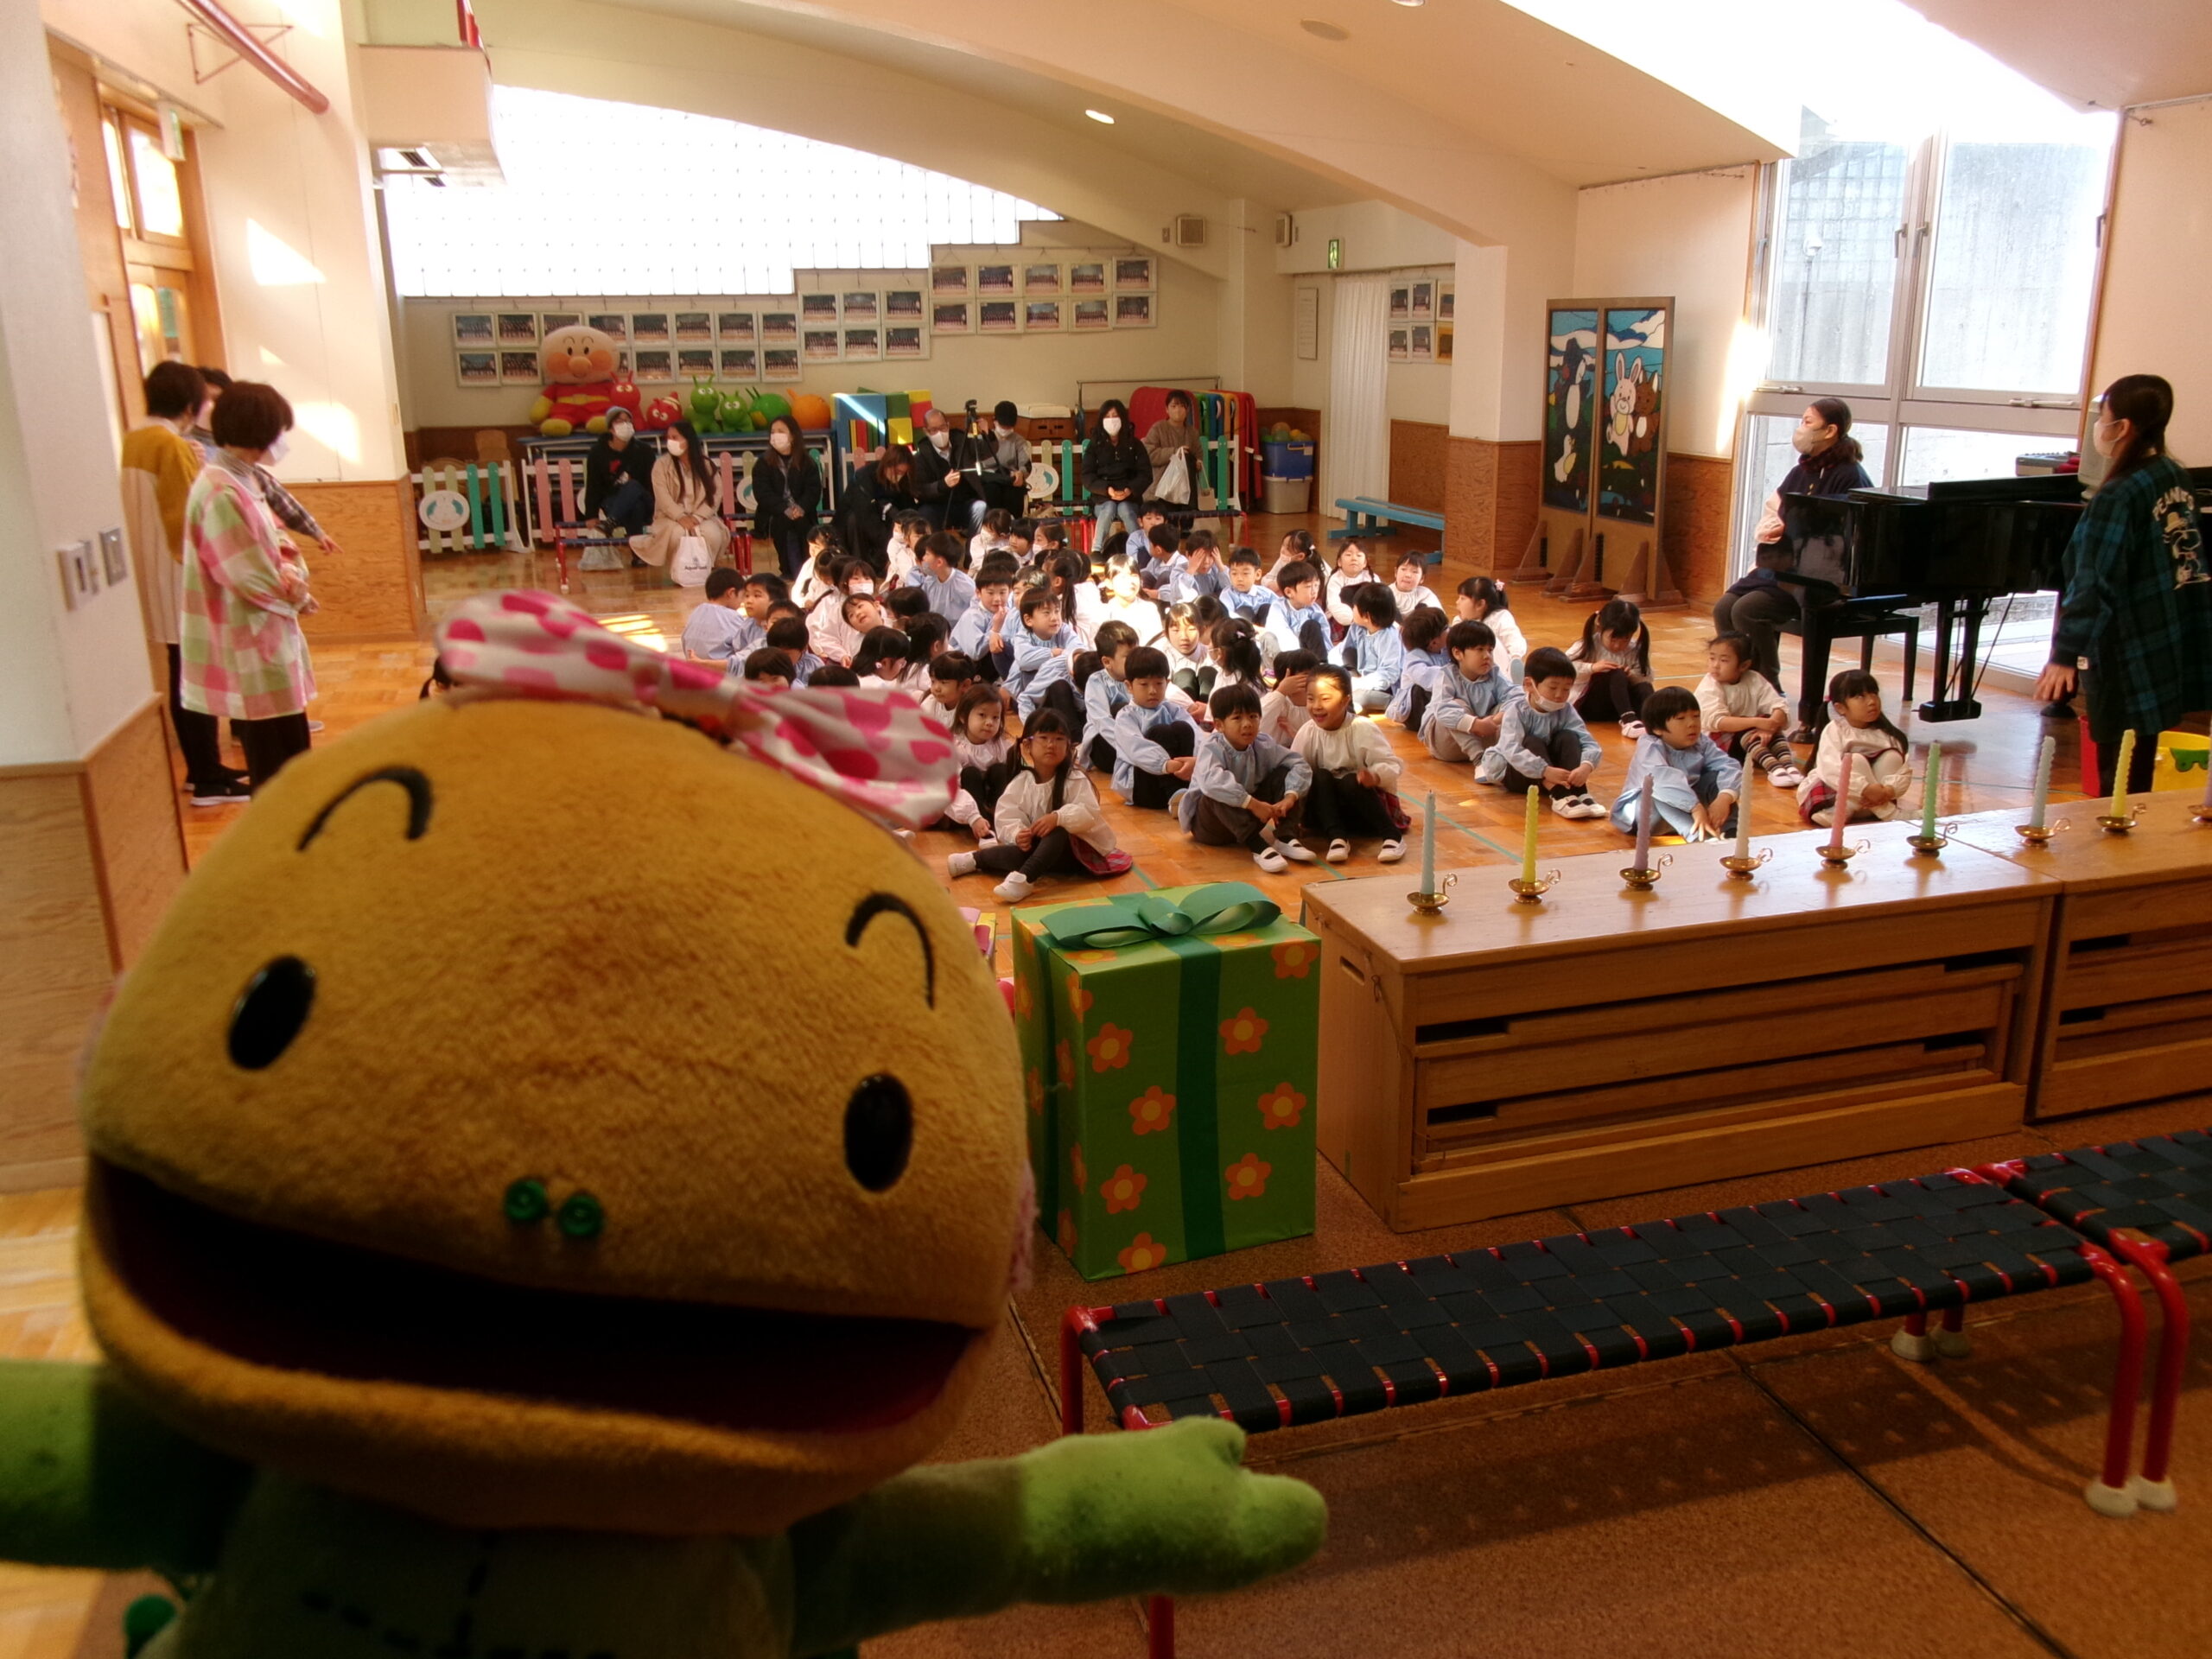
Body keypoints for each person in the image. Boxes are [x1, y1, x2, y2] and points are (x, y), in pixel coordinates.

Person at [2037, 374, 2212, 797]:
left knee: (2119, 763)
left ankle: (2117, 827)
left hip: (2126, 645)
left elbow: (2094, 582)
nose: (2099, 426)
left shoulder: (2118, 494)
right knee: (2140, 753)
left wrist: (2065, 654)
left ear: (2124, 427)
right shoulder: (2174, 475)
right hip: (2165, 634)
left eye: (2105, 417)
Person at [179, 381, 317, 791]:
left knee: (293, 750)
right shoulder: (220, 489)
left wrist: (292, 569)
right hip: (250, 634)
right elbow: (245, 574)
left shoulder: (244, 479)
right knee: (274, 763)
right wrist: (296, 593)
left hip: (268, 630)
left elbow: (278, 541)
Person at [123, 362, 245, 805]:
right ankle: (207, 777)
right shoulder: (170, 444)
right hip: (179, 576)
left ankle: (203, 769)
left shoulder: (135, 438)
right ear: (191, 405)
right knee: (194, 675)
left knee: (183, 671)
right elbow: (187, 520)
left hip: (150, 573)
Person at [1712, 397, 1873, 710]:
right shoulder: (1802, 470)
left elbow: (1841, 535)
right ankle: (1740, 682)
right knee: (1724, 608)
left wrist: (1794, 534)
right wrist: (1773, 529)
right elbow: (1778, 510)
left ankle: (1768, 689)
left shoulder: (1850, 475)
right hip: (1784, 566)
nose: (1801, 428)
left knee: (1747, 610)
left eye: (1808, 422)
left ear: (1830, 430)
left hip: (1817, 576)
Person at [949, 710, 1130, 902]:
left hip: (1080, 855)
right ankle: (974, 860)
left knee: (1057, 831)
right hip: (1043, 854)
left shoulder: (1074, 779)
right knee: (1022, 852)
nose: (1051, 745)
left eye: (1059, 739)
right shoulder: (1022, 782)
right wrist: (1018, 834)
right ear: (1027, 745)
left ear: (1068, 746)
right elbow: (1007, 815)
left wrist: (1058, 818)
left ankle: (1025, 879)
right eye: (1044, 738)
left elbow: (1089, 812)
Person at [1175, 682, 1315, 874]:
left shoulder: (1263, 744)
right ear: (1219, 725)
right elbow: (1212, 783)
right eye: (1237, 718)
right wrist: (1253, 804)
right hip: (1212, 828)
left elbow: (1299, 764)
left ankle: (1285, 837)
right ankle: (1257, 846)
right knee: (1215, 791)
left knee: (1283, 772)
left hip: (1250, 817)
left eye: (1253, 716)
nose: (1247, 724)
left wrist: (1289, 797)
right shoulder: (1211, 748)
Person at [1292, 664, 1409, 864]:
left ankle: (1392, 836)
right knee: (1320, 776)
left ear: (1345, 700)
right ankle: (1337, 838)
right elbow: (1296, 771)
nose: (1316, 706)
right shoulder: (1308, 731)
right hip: (1325, 815)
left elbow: (1391, 764)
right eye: (1311, 699)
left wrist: (1375, 776)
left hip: (1364, 813)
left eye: (1325, 699)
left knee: (1350, 781)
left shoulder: (1362, 727)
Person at [1611, 686, 1742, 842]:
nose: (1692, 723)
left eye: (1696, 716)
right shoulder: (1649, 745)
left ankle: (1731, 833)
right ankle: (1700, 837)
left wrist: (1724, 798)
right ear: (1657, 728)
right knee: (1655, 790)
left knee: (1716, 779)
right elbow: (1660, 779)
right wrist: (1695, 807)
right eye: (1681, 718)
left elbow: (1729, 765)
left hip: (1685, 811)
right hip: (1646, 816)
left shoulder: (1701, 742)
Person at [1489, 645, 1604, 818]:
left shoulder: (1566, 710)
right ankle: (1560, 795)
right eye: (1553, 688)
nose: (1559, 695)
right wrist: (1544, 770)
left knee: (1569, 737)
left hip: (1555, 773)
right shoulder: (1516, 711)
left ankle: (1579, 791)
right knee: (1532, 741)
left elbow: (1587, 741)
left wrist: (1586, 766)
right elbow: (1511, 749)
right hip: (1521, 774)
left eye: (1566, 689)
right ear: (1530, 684)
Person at [1799, 669, 1916, 826]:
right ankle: (1888, 814)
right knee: (1855, 759)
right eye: (1860, 696)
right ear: (1840, 708)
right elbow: (1830, 769)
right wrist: (1864, 789)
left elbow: (1904, 771)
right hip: (1839, 798)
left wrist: (1888, 790)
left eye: (1874, 693)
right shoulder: (1836, 730)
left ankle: (1880, 810)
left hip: (1875, 801)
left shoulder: (1888, 734)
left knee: (1892, 757)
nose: (1872, 701)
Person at [1697, 632, 1802, 789]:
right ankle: (1774, 768)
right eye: (1712, 658)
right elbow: (1718, 722)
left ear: (1744, 666)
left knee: (1771, 724)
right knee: (1750, 729)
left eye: (1724, 660)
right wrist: (1758, 722)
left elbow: (1778, 704)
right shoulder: (1710, 686)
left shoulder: (1754, 678)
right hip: (1720, 747)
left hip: (1751, 740)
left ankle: (1788, 766)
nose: (1715, 665)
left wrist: (1771, 724)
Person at [1421, 619, 1521, 772]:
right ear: (1457, 653)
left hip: (1484, 738)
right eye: (1480, 649)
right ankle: (1479, 760)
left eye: (1490, 650)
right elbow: (1442, 710)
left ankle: (1503, 756)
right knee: (1456, 706)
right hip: (1448, 744)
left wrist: (1496, 718)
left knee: (1508, 706)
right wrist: (1475, 724)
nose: (1487, 656)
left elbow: (1517, 696)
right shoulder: (1446, 675)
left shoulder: (1494, 674)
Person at [1111, 645, 1200, 809]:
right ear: (1129, 686)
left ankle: (1181, 794)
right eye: (1144, 684)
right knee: (1161, 731)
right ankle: (1176, 795)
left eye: (1159, 683)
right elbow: (1136, 747)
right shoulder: (1126, 716)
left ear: (1167, 683)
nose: (1152, 691)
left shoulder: (1173, 709)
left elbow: (1197, 733)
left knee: (1183, 727)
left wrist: (1196, 760)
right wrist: (1165, 765)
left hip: (1179, 776)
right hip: (1144, 787)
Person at [639, 420, 730, 571]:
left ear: (688, 440)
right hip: (670, 518)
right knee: (677, 535)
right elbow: (662, 496)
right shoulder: (661, 465)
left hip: (702, 517)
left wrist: (698, 517)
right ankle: (680, 570)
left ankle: (706, 568)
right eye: (669, 438)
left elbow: (715, 494)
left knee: (712, 534)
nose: (670, 441)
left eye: (675, 437)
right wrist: (680, 516)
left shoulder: (706, 465)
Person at [1567, 596, 1655, 735]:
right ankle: (1628, 721)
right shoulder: (1587, 645)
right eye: (1613, 639)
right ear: (1601, 626)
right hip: (1591, 707)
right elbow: (1563, 668)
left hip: (1617, 707)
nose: (1618, 645)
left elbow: (1647, 676)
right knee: (1616, 674)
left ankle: (1656, 720)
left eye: (1625, 639)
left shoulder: (1635, 650)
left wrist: (1631, 675)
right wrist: (1592, 668)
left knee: (1645, 686)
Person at [752, 416, 823, 581]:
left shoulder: (807, 462)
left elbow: (813, 491)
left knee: (802, 524)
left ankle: (806, 568)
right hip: (774, 513)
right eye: (773, 432)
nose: (775, 435)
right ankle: (788, 569)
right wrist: (784, 508)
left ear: (793, 435)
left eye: (781, 431)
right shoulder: (763, 463)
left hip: (802, 512)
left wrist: (801, 507)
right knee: (783, 522)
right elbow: (763, 493)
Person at [945, 683, 1012, 842]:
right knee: (970, 773)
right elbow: (951, 787)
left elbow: (1019, 775)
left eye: (995, 717)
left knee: (1001, 769)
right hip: (965, 810)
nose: (989, 722)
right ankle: (981, 825)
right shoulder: (953, 745)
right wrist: (973, 816)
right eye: (982, 715)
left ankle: (997, 816)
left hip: (992, 801)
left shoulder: (1002, 744)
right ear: (963, 716)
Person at [841, 445, 918, 579]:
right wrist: (888, 545)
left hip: (885, 527)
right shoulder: (864, 478)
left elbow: (907, 509)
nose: (899, 476)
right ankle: (859, 569)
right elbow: (865, 516)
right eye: (897, 472)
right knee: (854, 521)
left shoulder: (902, 482)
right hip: (858, 526)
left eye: (903, 473)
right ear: (888, 465)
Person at [1007, 586, 1081, 722]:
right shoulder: (1023, 636)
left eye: (1057, 611)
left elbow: (1078, 652)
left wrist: (1066, 655)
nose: (1054, 618)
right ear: (1029, 620)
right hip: (1037, 695)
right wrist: (1052, 653)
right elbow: (1024, 660)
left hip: (1063, 692)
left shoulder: (1064, 630)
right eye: (1047, 613)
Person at [1084, 399, 1151, 543]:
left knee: (1126, 510)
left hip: (1130, 498)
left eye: (1115, 416)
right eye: (1107, 416)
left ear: (1123, 418)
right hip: (1102, 499)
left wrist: (1130, 490)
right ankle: (1097, 549)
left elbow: (1145, 474)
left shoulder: (1135, 444)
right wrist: (1107, 490)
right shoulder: (1095, 445)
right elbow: (1087, 476)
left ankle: (1139, 547)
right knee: (1108, 508)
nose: (1111, 420)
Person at [584, 410, 657, 543]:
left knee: (633, 486)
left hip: (644, 498)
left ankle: (611, 523)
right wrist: (591, 515)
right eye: (620, 421)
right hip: (613, 502)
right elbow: (593, 485)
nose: (625, 424)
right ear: (611, 428)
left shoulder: (644, 450)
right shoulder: (598, 452)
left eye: (628, 421)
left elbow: (652, 482)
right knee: (636, 507)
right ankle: (637, 552)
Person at [1081, 620, 1142, 772]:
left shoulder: (1140, 677)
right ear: (1107, 662)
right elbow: (1103, 722)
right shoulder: (1096, 681)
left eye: (1136, 654)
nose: (1135, 661)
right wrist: (1131, 749)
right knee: (1121, 709)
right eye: (1128, 657)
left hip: (1137, 741)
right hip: (1106, 742)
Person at [964, 400, 1033, 528]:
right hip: (989, 480)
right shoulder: (984, 438)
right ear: (994, 421)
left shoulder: (1019, 441)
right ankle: (991, 525)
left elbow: (1026, 465)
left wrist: (1021, 474)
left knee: (1014, 493)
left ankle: (1013, 525)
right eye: (1003, 426)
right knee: (991, 490)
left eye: (1008, 427)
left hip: (1010, 480)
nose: (1005, 430)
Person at [910, 406, 979, 529]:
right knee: (925, 513)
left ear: (948, 425)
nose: (940, 433)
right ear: (926, 431)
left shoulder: (961, 443)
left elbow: (985, 451)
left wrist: (986, 433)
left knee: (980, 507)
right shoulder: (921, 457)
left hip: (964, 502)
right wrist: (943, 484)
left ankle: (974, 541)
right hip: (937, 506)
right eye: (934, 430)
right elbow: (920, 490)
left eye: (942, 428)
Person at [1385, 604, 1452, 728]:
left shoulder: (1445, 649)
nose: (1450, 630)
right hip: (1413, 710)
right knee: (1422, 690)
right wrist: (1457, 673)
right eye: (1446, 628)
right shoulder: (1414, 658)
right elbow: (1427, 679)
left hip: (1436, 705)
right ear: (1434, 643)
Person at [950, 560, 1018, 680]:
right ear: (978, 593)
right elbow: (975, 653)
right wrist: (995, 629)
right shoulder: (972, 616)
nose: (997, 599)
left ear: (1010, 591)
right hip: (963, 670)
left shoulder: (1010, 612)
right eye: (990, 593)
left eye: (1002, 593)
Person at [1344, 584, 1404, 713]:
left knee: (1358, 696)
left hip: (1385, 687)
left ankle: (1395, 703)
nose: (1352, 609)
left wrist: (1361, 683)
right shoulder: (1357, 627)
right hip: (1362, 677)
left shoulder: (1389, 636)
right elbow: (1344, 651)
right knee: (1347, 655)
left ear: (1367, 616)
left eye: (1354, 607)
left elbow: (1390, 674)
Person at [680, 568, 760, 663]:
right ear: (731, 593)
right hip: (720, 668)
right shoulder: (731, 616)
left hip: (693, 666)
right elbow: (748, 646)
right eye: (743, 596)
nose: (743, 601)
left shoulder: (696, 612)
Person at [1142, 391, 1206, 507]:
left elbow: (1198, 454)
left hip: (1186, 489)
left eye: (1182, 406)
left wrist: (1198, 462)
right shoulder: (1158, 428)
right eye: (1174, 406)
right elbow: (1150, 455)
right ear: (1167, 409)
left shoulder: (1192, 432)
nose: (1178, 410)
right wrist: (1174, 453)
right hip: (1162, 489)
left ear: (1187, 410)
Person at [1455, 576, 1528, 676]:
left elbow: (1514, 639)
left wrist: (1516, 658)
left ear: (1480, 604)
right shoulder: (1459, 622)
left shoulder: (1500, 617)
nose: (1457, 602)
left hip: (1499, 669)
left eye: (1462, 598)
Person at [1263, 560, 1330, 659]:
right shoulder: (1278, 607)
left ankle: (1320, 665)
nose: (1314, 591)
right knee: (1268, 637)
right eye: (1308, 587)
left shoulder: (1315, 610)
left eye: (1316, 585)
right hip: (1284, 656)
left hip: (1307, 657)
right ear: (1289, 592)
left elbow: (1325, 639)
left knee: (1312, 626)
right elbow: (1281, 633)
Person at [907, 530, 976, 624]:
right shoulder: (930, 581)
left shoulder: (965, 585)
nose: (924, 558)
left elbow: (977, 610)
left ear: (939, 562)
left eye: (927, 554)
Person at [1095, 553, 1166, 642]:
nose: (1130, 581)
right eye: (1123, 577)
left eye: (1134, 576)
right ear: (1109, 583)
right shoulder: (1103, 612)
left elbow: (1157, 643)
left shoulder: (1149, 609)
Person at [1260, 650, 1316, 748]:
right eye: (1306, 674)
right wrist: (1281, 691)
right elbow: (1259, 723)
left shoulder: (1319, 703)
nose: (1313, 679)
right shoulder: (1278, 704)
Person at [1159, 601, 1213, 701]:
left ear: (1202, 630)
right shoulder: (1162, 656)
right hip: (1177, 707)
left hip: (1209, 707)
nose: (1184, 637)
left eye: (1191, 629)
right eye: (1176, 630)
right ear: (1166, 633)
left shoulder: (1210, 654)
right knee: (1184, 676)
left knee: (1208, 672)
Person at [1325, 542, 1373, 633]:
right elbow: (1334, 603)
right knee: (1347, 592)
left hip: (1368, 618)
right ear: (1339, 562)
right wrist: (1353, 618)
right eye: (1348, 555)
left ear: (1365, 563)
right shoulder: (1336, 579)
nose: (1354, 558)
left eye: (1359, 555)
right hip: (1343, 620)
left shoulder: (1371, 577)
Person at [1219, 546, 1274, 626]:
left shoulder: (1266, 593)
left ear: (1257, 574)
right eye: (1234, 573)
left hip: (1265, 630)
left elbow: (1282, 607)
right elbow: (1227, 615)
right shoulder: (1228, 595)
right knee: (1244, 611)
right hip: (1241, 629)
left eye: (1245, 573)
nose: (1239, 579)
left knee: (1267, 608)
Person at [764, 616, 823, 685]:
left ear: (804, 649)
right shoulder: (765, 665)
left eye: (786, 655)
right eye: (776, 653)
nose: (780, 659)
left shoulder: (814, 665)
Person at [1387, 550, 1442, 617]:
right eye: (1403, 569)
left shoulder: (1425, 595)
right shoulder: (1386, 594)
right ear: (1396, 572)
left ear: (1422, 578)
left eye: (1415, 572)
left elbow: (1439, 617)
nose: (1408, 575)